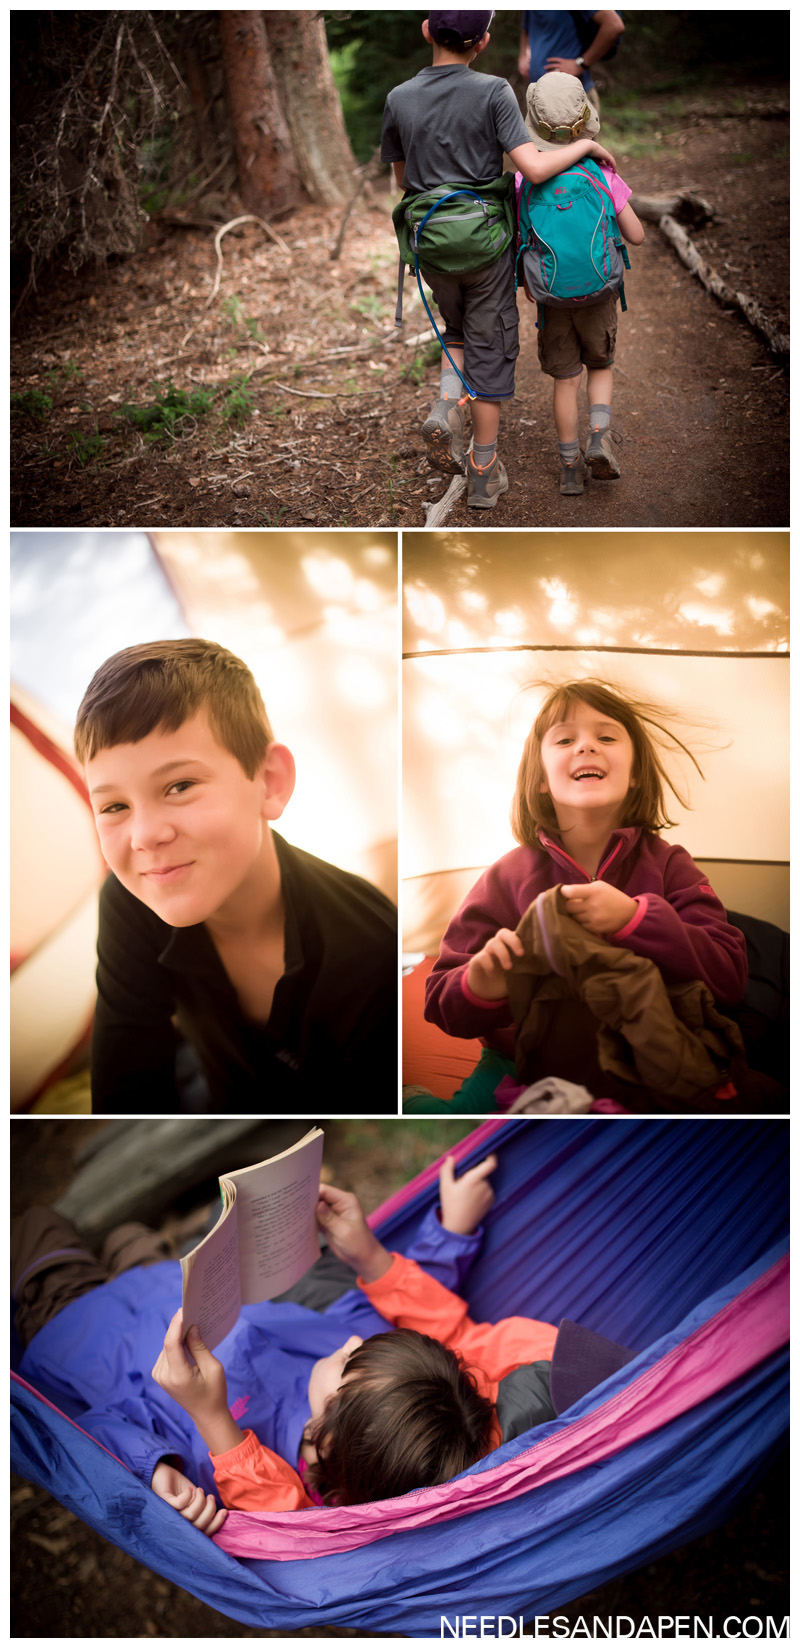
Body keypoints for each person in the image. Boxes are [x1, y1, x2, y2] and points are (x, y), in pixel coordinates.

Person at [15, 1155, 613, 1527]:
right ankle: (123, 1239)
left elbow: (91, 1434)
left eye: (352, 1361)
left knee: (38, 1226)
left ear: (325, 1433)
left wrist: (207, 1418)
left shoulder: (282, 1479)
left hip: (77, 1333)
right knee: (127, 1235)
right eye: (370, 1347)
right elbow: (432, 1335)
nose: (356, 1338)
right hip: (165, 1284)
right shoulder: (399, 1406)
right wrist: (426, 1239)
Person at [74, 638, 397, 1112]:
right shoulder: (132, 901)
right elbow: (127, 1087)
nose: (145, 835)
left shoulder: (366, 947)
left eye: (180, 786)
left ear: (270, 782)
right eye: (115, 806)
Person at [424, 679, 748, 1088]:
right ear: (541, 778)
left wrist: (634, 919)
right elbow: (441, 1003)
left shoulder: (670, 865)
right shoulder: (506, 877)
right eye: (564, 740)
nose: (586, 746)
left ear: (634, 775)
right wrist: (481, 982)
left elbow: (730, 976)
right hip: (524, 1067)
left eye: (606, 736)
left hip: (650, 1059)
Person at [381, 9, 619, 509]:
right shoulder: (493, 91)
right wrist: (586, 146)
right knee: (490, 346)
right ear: (483, 41)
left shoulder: (398, 99)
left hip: (432, 243)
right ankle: (484, 472)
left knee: (457, 329)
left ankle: (448, 403)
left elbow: (405, 180)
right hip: (485, 243)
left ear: (427, 31)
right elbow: (532, 169)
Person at [518, 72, 645, 494]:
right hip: (599, 291)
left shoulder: (524, 179)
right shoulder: (600, 174)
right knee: (601, 366)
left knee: (565, 379)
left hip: (552, 299)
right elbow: (637, 235)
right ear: (585, 121)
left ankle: (570, 467)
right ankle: (599, 439)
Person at [519, 11, 624, 107]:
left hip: (572, 99)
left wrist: (580, 64)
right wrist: (524, 54)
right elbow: (527, 27)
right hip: (537, 98)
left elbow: (613, 26)